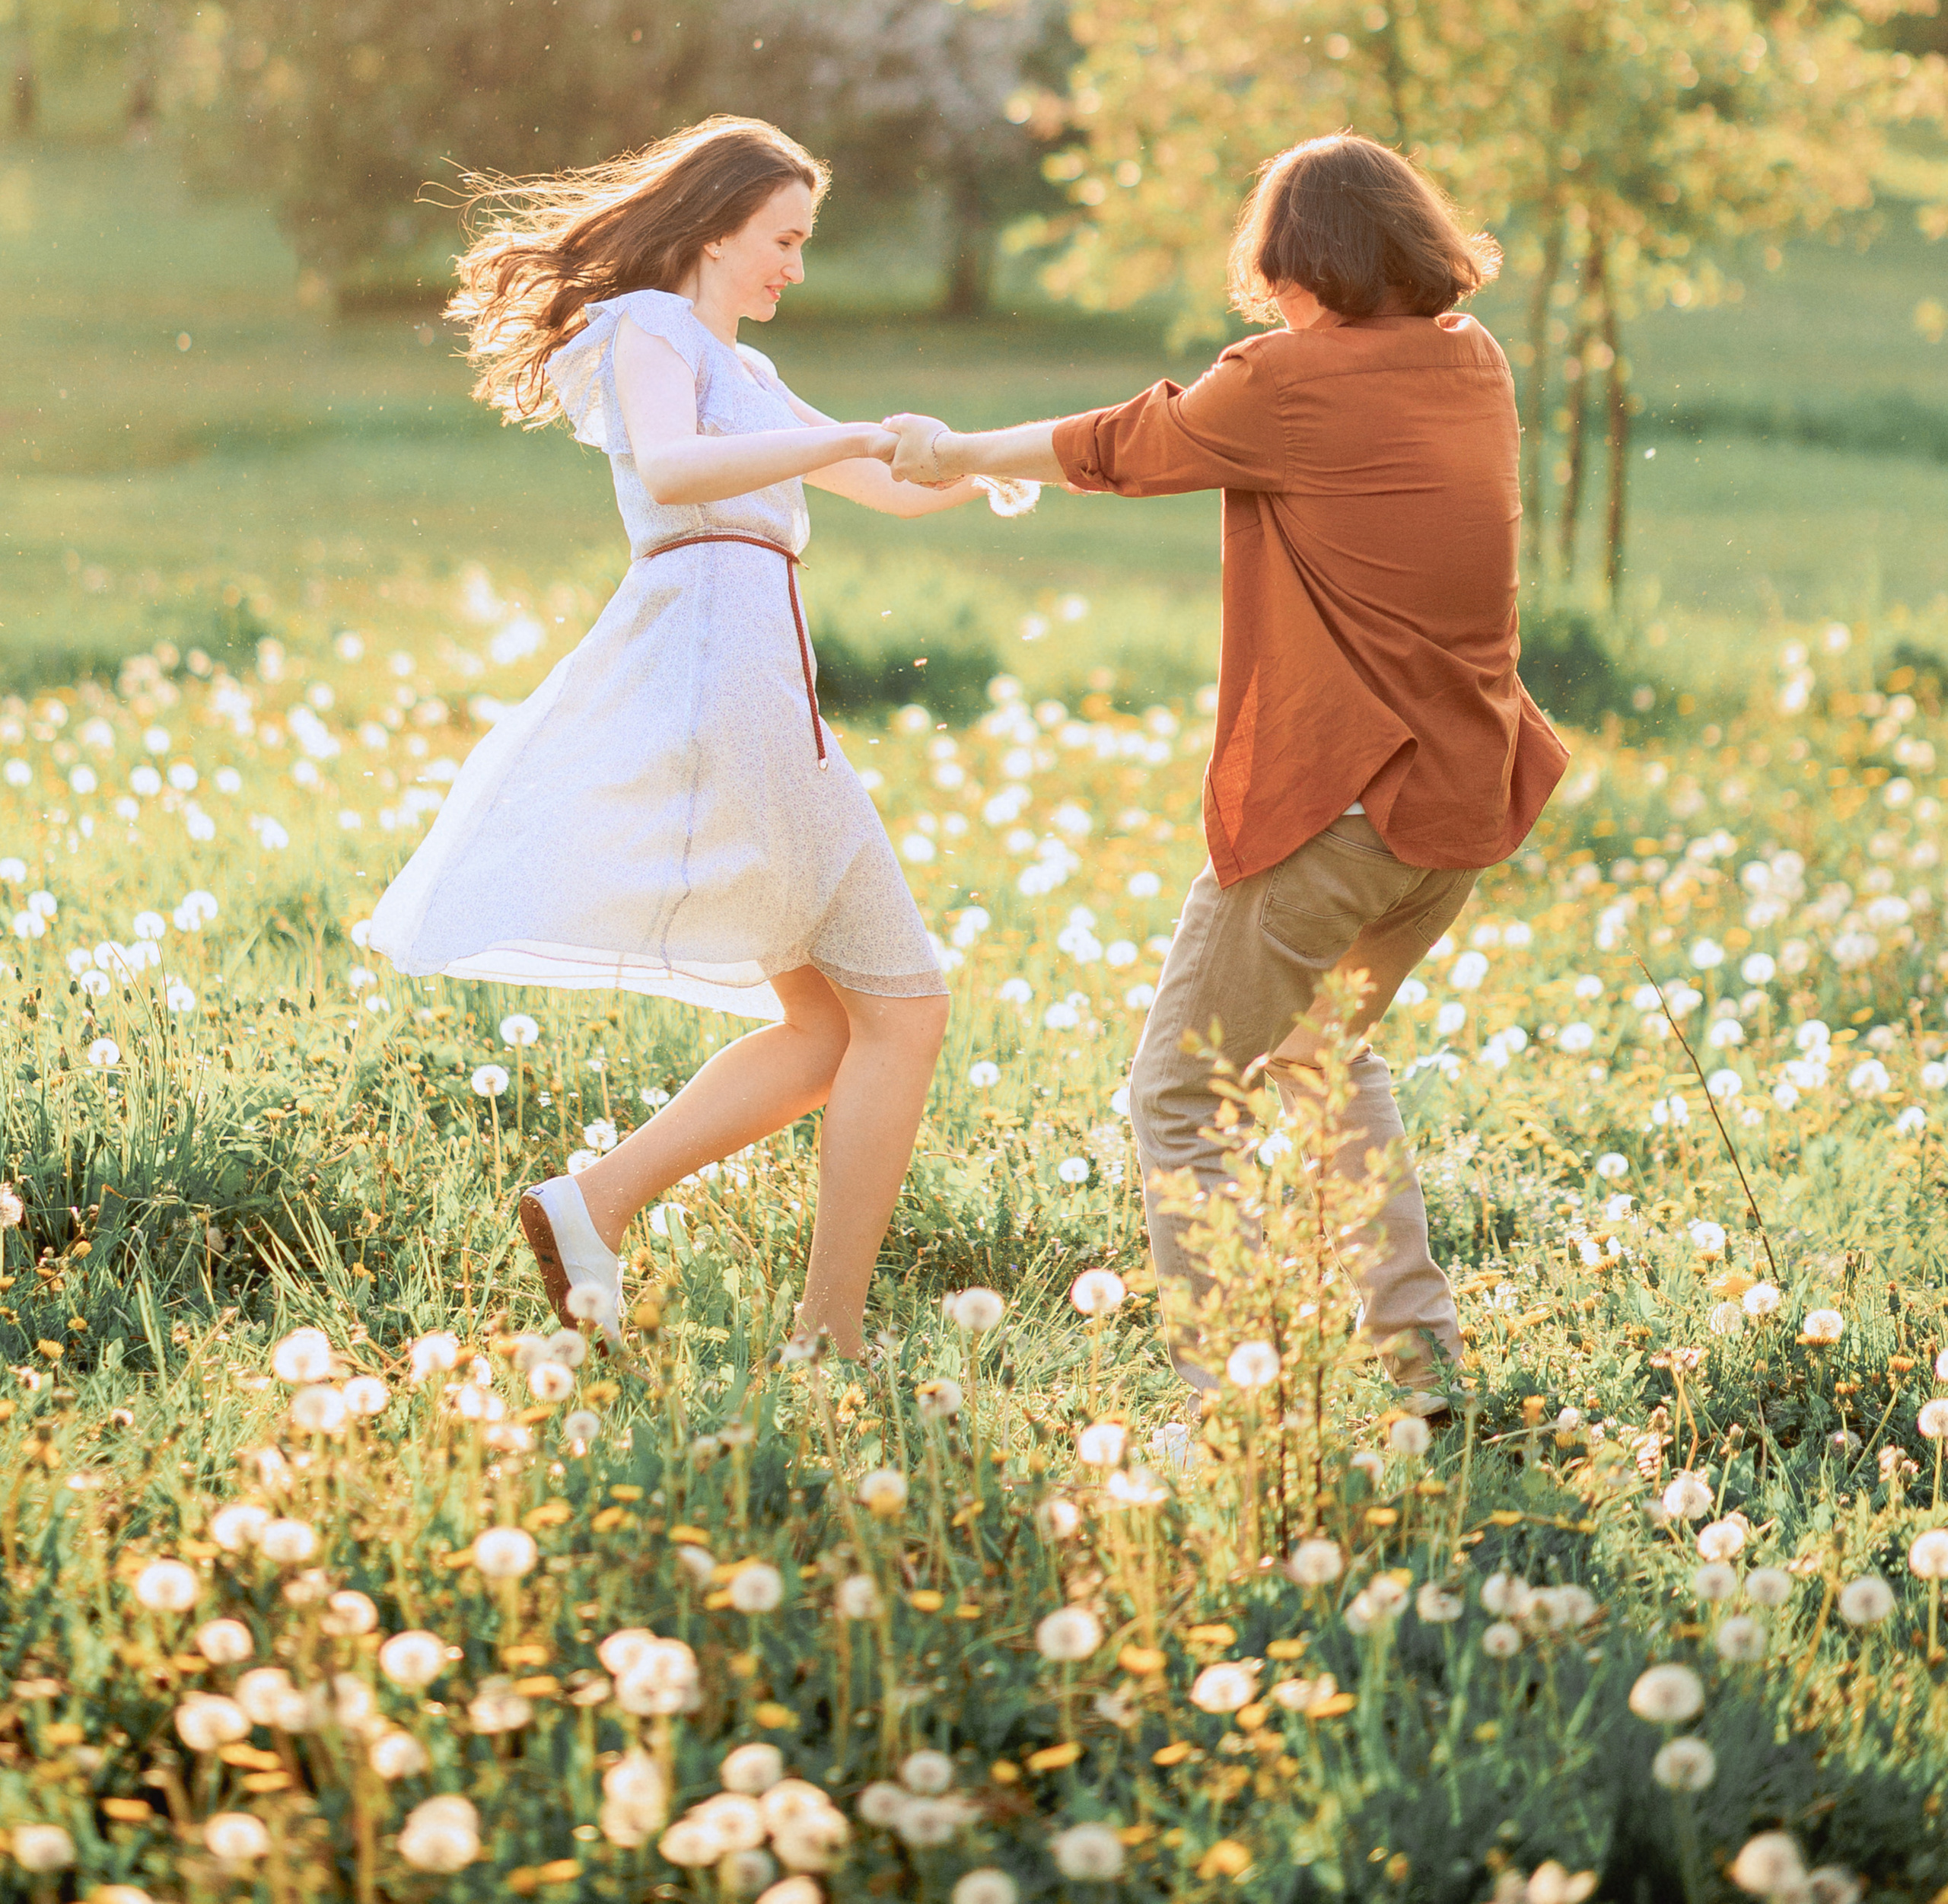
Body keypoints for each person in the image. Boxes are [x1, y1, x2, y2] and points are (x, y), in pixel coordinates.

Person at [885, 131, 1568, 1408]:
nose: (1276, 299)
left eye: (1281, 274)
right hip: (1455, 816)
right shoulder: (1473, 363)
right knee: (1321, 1063)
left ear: (1302, 265)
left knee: (1178, 1097)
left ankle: (1235, 1403)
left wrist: (954, 449)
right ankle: (1421, 1374)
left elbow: (1127, 443)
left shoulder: (1291, 383)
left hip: (1342, 813)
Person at [370, 113, 1001, 1358]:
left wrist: (1049, 452)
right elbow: (669, 466)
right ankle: (828, 1335)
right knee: (904, 1009)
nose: (796, 268)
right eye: (785, 238)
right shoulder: (650, 328)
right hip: (724, 677)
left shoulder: (745, 370)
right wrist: (853, 435)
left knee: (837, 1027)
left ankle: (596, 1204)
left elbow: (889, 481)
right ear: (715, 229)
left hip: (760, 681)